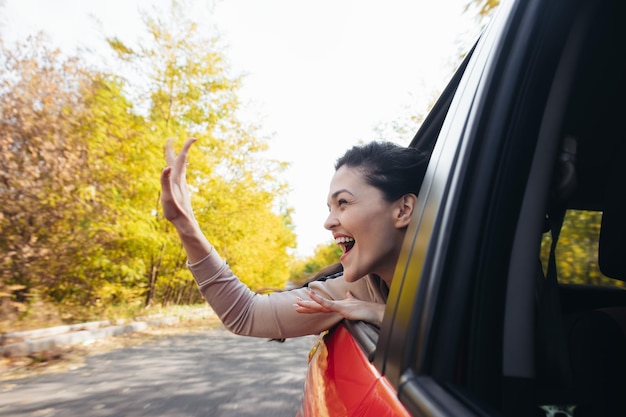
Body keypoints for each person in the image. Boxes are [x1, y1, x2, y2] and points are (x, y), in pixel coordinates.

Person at [160, 138, 428, 338]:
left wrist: (384, 315)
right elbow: (246, 314)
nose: (328, 222)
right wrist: (186, 225)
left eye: (343, 202)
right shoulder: (357, 290)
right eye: (329, 208)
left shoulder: (462, 280)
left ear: (403, 210)